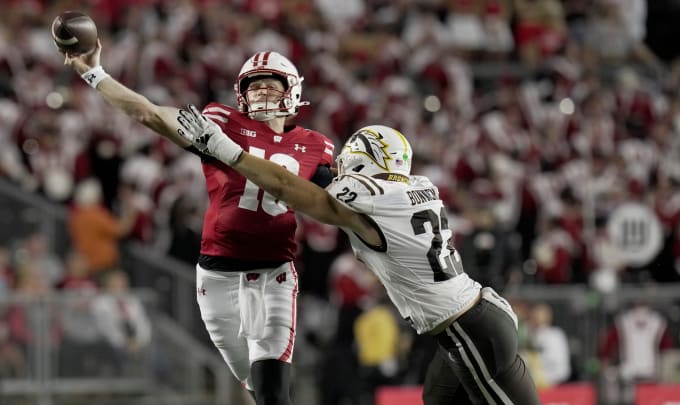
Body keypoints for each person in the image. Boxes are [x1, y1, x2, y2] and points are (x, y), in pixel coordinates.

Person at [177, 111, 541, 404]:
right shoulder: (420, 186)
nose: (338, 170)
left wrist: (230, 152)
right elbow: (331, 183)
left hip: (468, 331)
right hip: (476, 316)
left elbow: (292, 187)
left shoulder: (368, 196)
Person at [63, 39, 335, 405]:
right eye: (253, 84)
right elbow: (150, 114)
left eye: (271, 83)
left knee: (273, 390)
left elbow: (335, 202)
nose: (261, 91)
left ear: (293, 91)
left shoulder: (316, 145)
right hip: (217, 274)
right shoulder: (221, 122)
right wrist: (94, 72)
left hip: (275, 274)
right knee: (252, 384)